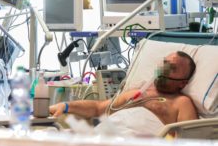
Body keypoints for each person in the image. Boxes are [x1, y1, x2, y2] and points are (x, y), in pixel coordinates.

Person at [50, 51, 198, 136]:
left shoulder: (181, 102)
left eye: (172, 68)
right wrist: (66, 106)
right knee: (49, 135)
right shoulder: (136, 93)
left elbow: (189, 141)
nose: (164, 69)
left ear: (183, 82)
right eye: (164, 63)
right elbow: (98, 108)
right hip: (103, 135)